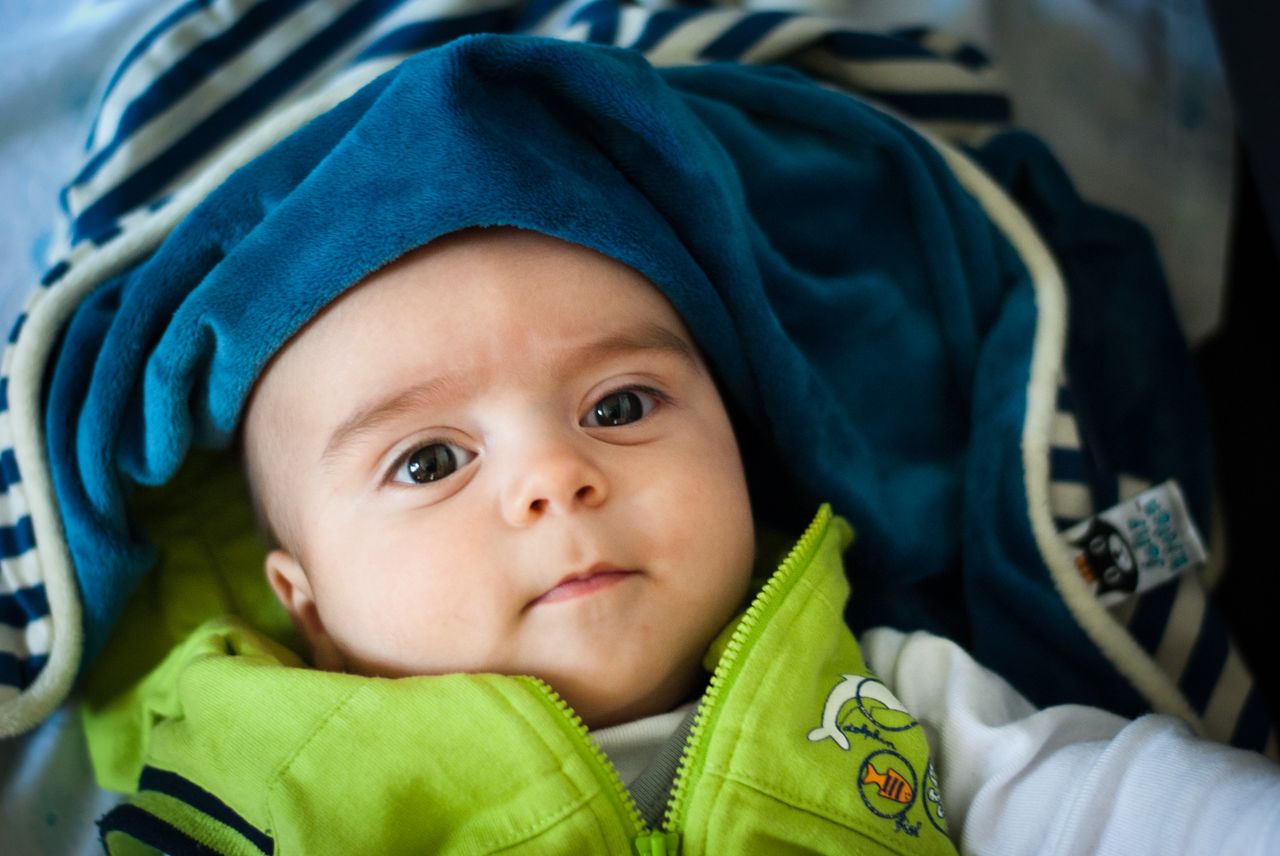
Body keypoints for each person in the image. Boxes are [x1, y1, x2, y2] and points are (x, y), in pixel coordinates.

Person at [90, 225, 1280, 856]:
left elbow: (1103, 807)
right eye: (430, 460)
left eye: (617, 404)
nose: (554, 476)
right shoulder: (264, 796)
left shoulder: (878, 694)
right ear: (305, 601)